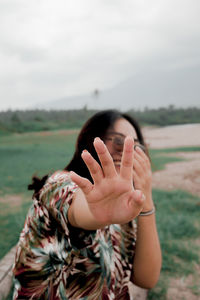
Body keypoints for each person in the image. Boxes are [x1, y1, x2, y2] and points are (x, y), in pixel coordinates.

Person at [13, 109, 162, 299]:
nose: (127, 151)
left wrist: (146, 197)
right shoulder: (59, 184)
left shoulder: (126, 208)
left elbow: (146, 279)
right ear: (92, 140)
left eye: (135, 146)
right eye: (118, 140)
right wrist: (95, 213)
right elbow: (75, 207)